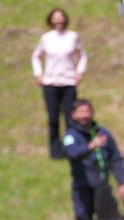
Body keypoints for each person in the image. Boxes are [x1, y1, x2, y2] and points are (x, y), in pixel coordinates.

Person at [63, 99, 124, 220]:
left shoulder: (103, 133)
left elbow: (116, 158)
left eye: (87, 111)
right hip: (82, 190)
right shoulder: (71, 135)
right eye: (81, 112)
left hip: (103, 188)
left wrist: (122, 182)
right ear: (73, 115)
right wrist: (91, 146)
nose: (85, 115)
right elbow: (72, 153)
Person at [31, 8, 88, 160]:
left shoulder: (73, 37)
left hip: (68, 82)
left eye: (61, 18)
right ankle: (55, 152)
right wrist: (38, 74)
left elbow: (82, 55)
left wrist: (79, 72)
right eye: (55, 18)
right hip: (51, 83)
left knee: (71, 118)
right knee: (53, 118)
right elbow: (36, 56)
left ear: (65, 19)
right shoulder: (46, 38)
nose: (58, 21)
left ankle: (72, 149)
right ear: (51, 20)